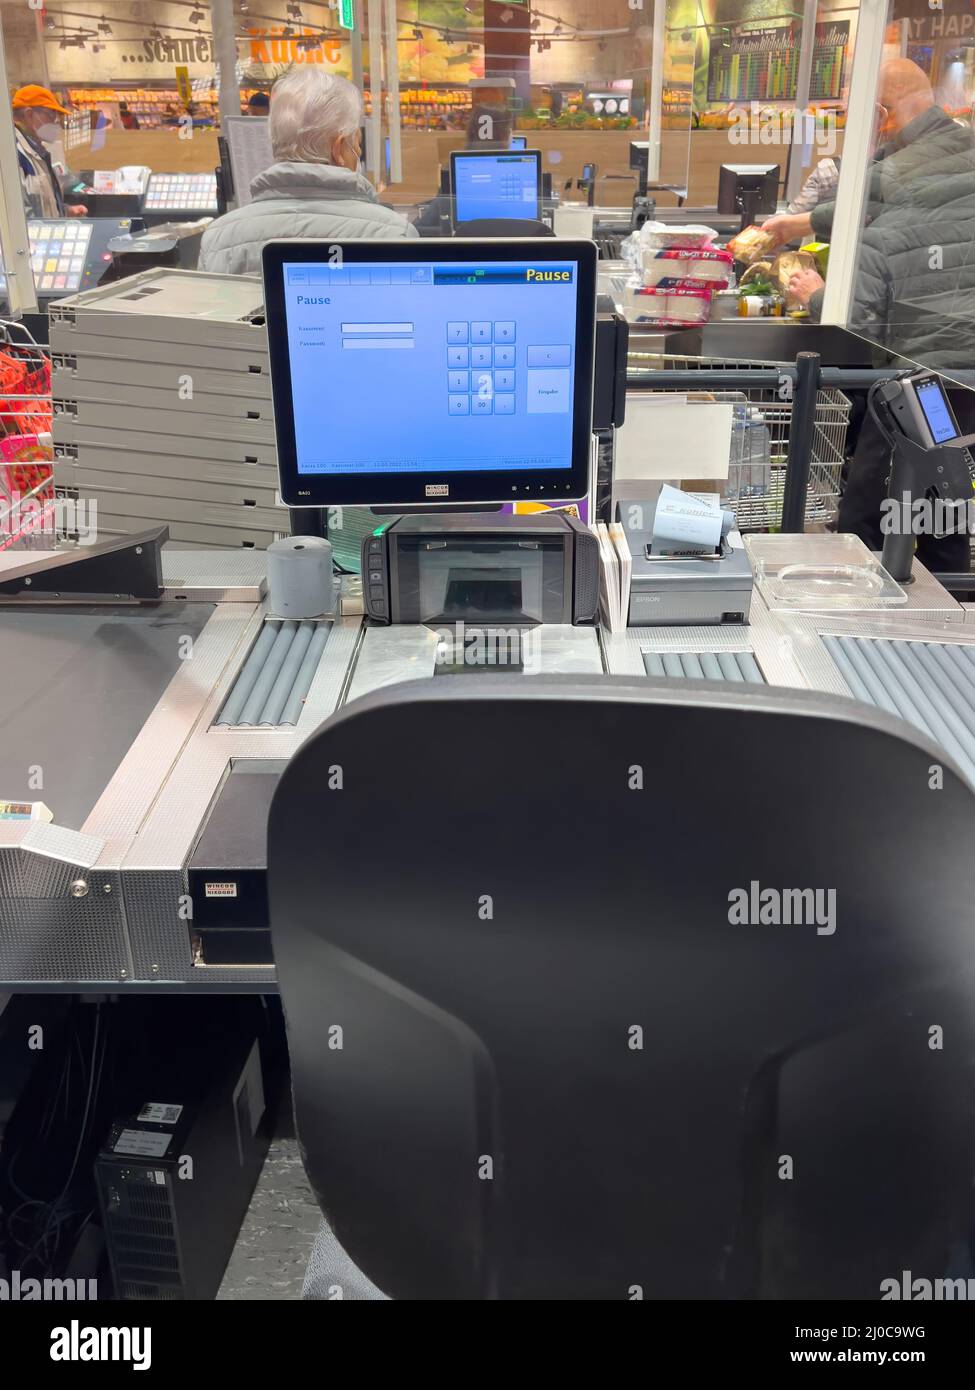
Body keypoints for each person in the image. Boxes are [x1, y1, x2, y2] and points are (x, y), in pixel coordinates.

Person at [774, 60, 975, 570]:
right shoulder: (960, 156)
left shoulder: (886, 193)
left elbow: (860, 326)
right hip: (964, 381)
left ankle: (860, 638)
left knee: (870, 521)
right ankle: (944, 633)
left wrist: (815, 295)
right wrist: (802, 222)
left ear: (881, 113)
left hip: (919, 386)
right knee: (945, 517)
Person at [198, 69, 415, 275]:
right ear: (338, 148)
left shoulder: (217, 238)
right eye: (357, 142)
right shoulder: (395, 234)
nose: (358, 151)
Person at [12, 85, 87, 218]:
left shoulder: (38, 151)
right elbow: (20, 217)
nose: (56, 122)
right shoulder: (14, 155)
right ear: (29, 115)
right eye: (51, 115)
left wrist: (64, 211)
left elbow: (42, 204)